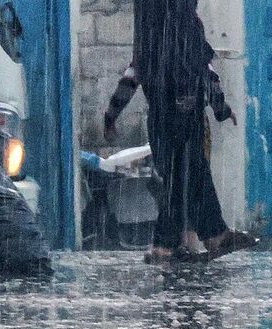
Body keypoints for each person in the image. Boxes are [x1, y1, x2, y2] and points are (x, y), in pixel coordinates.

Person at [103, 0, 255, 264]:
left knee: (178, 178)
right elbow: (204, 68)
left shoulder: (149, 28)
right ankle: (174, 243)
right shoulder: (184, 22)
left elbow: (134, 71)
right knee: (191, 175)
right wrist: (220, 107)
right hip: (186, 109)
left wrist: (112, 113)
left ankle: (197, 238)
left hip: (160, 116)